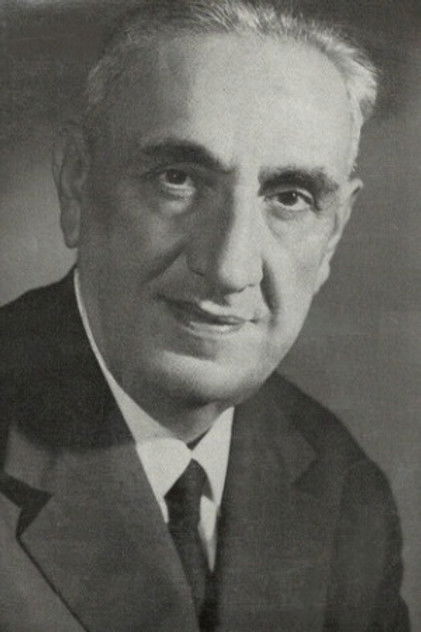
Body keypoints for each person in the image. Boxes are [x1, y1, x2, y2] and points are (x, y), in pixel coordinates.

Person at [0, 1, 410, 630]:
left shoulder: (343, 492)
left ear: (333, 235)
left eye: (290, 197)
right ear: (78, 184)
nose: (229, 267)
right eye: (178, 179)